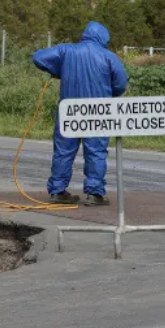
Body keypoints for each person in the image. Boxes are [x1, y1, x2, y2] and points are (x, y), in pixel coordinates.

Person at [32, 21, 129, 206]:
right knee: (96, 152)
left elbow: (38, 57)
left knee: (63, 151)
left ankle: (58, 191)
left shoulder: (66, 51)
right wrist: (110, 92)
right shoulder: (108, 56)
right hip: (97, 112)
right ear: (103, 38)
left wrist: (58, 70)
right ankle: (94, 194)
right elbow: (121, 84)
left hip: (69, 110)